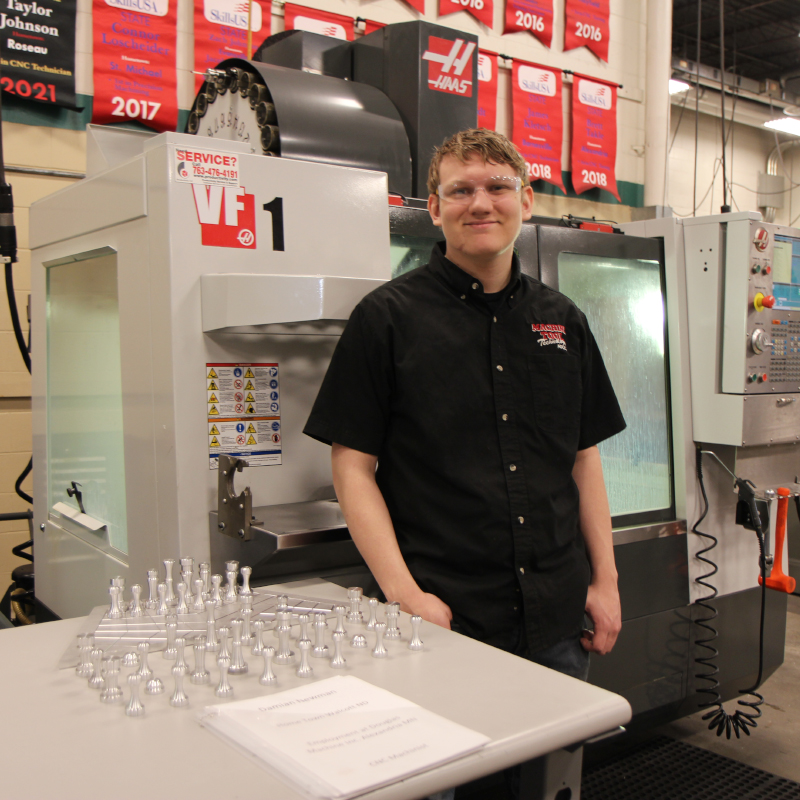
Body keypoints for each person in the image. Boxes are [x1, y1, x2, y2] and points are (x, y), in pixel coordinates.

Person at [304, 128, 626, 682]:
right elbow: (352, 467)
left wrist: (607, 581)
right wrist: (406, 596)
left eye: (498, 186)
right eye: (460, 191)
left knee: (552, 770)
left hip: (558, 621)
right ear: (434, 208)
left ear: (525, 200)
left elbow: (583, 458)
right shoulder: (386, 320)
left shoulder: (563, 320)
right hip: (444, 620)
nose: (480, 203)